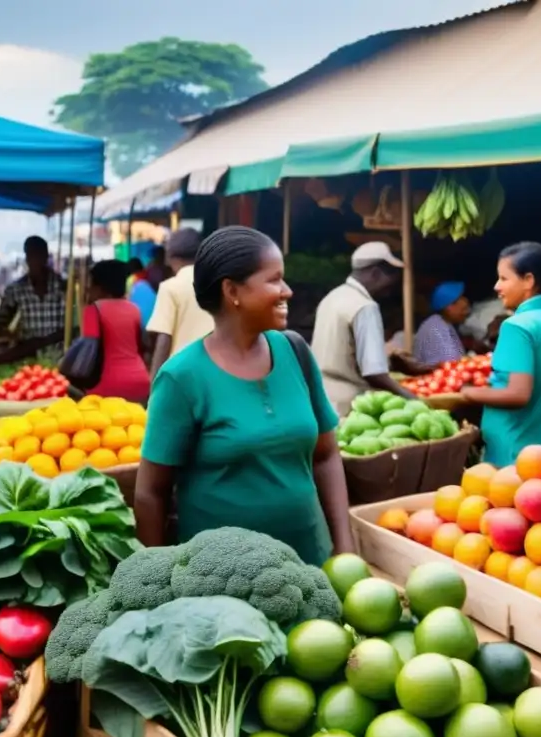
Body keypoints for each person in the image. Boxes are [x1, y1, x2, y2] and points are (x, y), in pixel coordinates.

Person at [134, 226, 353, 565]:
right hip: (221, 585)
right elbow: (151, 493)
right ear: (232, 290)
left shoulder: (295, 352)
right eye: (274, 280)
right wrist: (162, 580)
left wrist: (346, 550)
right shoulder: (181, 378)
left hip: (312, 565)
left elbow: (325, 456)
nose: (288, 291)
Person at [460, 242, 541, 468]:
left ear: (528, 280)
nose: (497, 286)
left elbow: (518, 394)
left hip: (516, 460)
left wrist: (467, 392)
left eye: (504, 278)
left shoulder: (517, 327)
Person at [311, 242, 419, 415]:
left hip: (323, 399)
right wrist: (412, 399)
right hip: (351, 404)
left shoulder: (332, 297)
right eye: (390, 279)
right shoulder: (365, 307)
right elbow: (373, 372)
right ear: (375, 273)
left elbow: (342, 349)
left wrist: (391, 361)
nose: (390, 289)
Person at [146, 228, 215, 379]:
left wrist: (155, 384)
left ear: (168, 257)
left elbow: (164, 339)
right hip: (219, 371)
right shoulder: (219, 283)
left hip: (183, 375)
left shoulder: (170, 288)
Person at [81, 260, 151, 403]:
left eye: (91, 285)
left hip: (105, 384)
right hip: (140, 381)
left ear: (100, 288)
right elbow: (141, 346)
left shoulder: (93, 310)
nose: (88, 290)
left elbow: (89, 352)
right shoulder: (134, 309)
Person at [0, 236, 66, 361]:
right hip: (29, 357)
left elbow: (75, 326)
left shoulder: (64, 287)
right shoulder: (16, 289)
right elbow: (0, 323)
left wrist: (45, 340)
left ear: (46, 257)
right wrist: (13, 337)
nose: (35, 261)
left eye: (39, 256)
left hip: (61, 356)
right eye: (31, 256)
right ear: (26, 258)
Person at [413, 281, 475, 365]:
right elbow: (450, 365)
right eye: (463, 310)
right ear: (449, 307)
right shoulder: (435, 328)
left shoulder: (442, 323)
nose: (466, 314)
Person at [126, 258, 157, 328]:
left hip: (138, 316)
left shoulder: (131, 279)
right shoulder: (150, 275)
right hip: (153, 314)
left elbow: (128, 298)